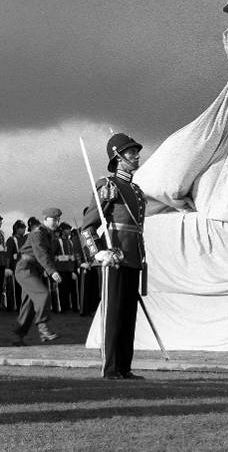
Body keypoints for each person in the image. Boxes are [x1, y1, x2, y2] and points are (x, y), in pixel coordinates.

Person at [80, 132, 148, 379]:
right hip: (115, 258)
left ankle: (124, 367)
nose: (136, 156)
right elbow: (87, 226)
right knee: (113, 315)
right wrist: (98, 253)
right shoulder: (108, 186)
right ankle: (110, 369)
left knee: (129, 316)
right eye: (131, 152)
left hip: (133, 258)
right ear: (118, 157)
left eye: (136, 152)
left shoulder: (136, 190)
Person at [12, 207, 64, 345]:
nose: (56, 223)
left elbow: (49, 256)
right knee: (42, 294)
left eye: (58, 220)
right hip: (25, 269)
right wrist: (52, 272)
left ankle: (18, 336)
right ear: (45, 219)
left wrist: (50, 271)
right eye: (53, 220)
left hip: (34, 270)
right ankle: (43, 328)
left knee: (28, 305)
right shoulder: (37, 233)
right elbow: (41, 253)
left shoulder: (49, 235)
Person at [4, 219, 28, 311]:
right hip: (14, 267)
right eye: (22, 228)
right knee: (15, 289)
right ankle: (15, 306)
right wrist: (7, 267)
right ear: (16, 229)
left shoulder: (24, 239)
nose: (24, 229)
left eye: (24, 228)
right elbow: (8, 255)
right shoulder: (11, 240)